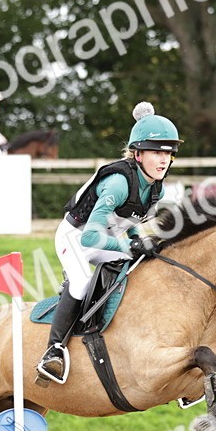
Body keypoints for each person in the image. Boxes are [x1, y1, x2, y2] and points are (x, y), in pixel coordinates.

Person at [36, 101, 180, 383]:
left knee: (140, 268)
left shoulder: (155, 186)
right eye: (156, 152)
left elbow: (132, 222)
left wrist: (139, 243)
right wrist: (130, 246)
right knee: (81, 283)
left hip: (106, 241)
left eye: (168, 153)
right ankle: (53, 352)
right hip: (75, 239)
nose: (164, 160)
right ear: (137, 154)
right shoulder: (118, 182)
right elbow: (90, 236)